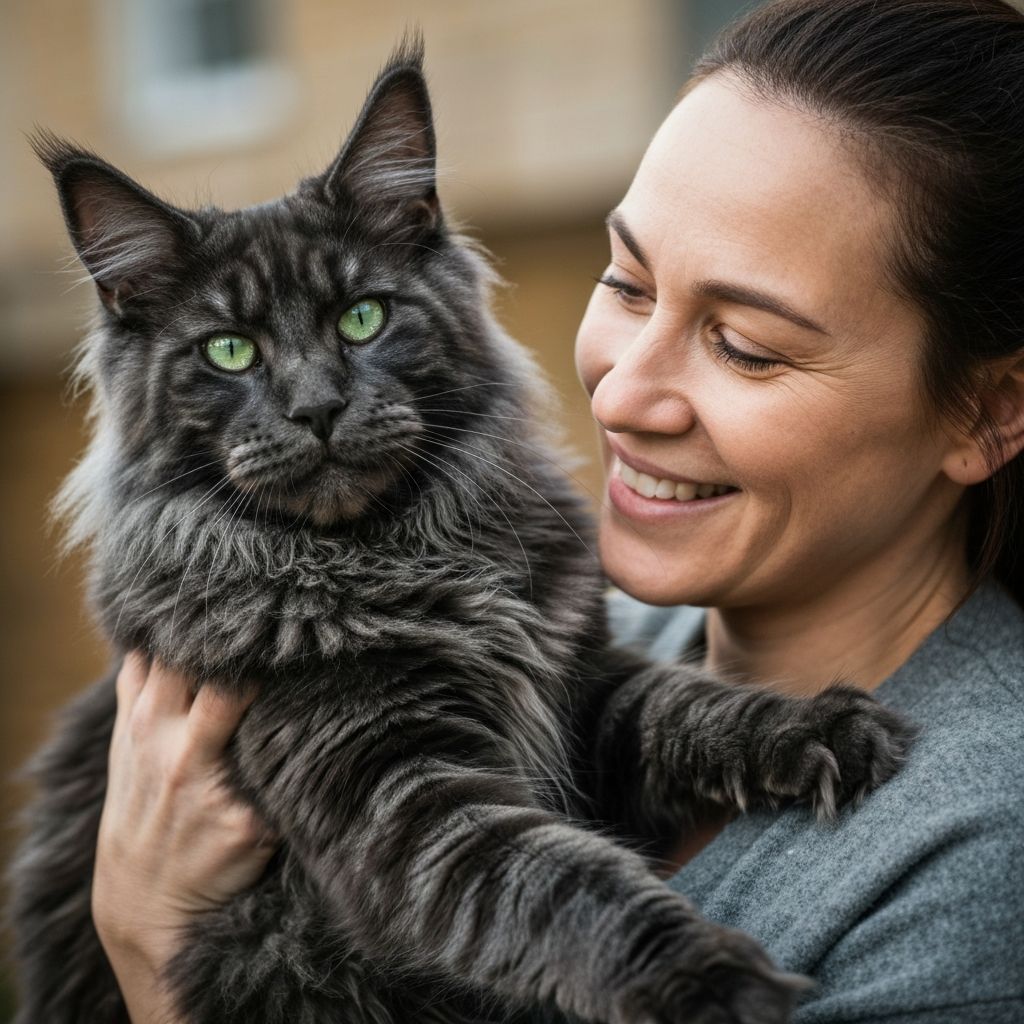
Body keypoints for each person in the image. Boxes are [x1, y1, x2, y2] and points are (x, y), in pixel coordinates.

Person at [90, 0, 1024, 1021]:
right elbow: (579, 725)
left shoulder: (979, 847)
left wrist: (152, 953)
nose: (618, 395)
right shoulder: (648, 622)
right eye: (624, 282)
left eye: (745, 345)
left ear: (986, 411)